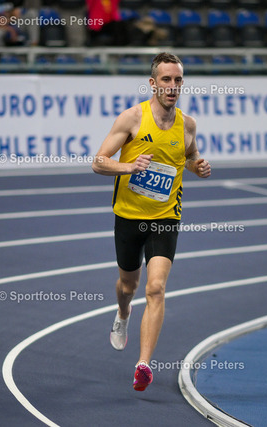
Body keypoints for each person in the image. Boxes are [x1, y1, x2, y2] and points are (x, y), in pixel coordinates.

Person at [92, 52, 211, 391]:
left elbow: (189, 156)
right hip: (129, 217)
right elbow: (99, 162)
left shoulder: (187, 125)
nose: (172, 86)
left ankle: (143, 364)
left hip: (165, 217)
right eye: (166, 80)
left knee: (155, 287)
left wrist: (198, 166)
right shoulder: (132, 118)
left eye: (178, 80)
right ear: (153, 83)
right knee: (128, 287)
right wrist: (128, 167)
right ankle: (123, 313)